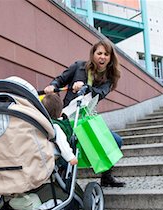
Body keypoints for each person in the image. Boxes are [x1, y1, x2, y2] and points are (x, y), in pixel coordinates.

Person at [43, 39, 125, 187]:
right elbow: (60, 80)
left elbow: (100, 93)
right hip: (68, 118)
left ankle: (106, 176)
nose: (102, 57)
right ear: (93, 54)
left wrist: (85, 87)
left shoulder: (110, 78)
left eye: (106, 54)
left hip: (87, 118)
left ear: (110, 57)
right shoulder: (79, 66)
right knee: (66, 145)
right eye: (99, 53)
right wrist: (53, 86)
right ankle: (62, 181)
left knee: (116, 141)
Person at [42, 93, 78, 166]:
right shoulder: (56, 126)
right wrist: (70, 157)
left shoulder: (45, 122)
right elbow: (62, 143)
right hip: (59, 157)